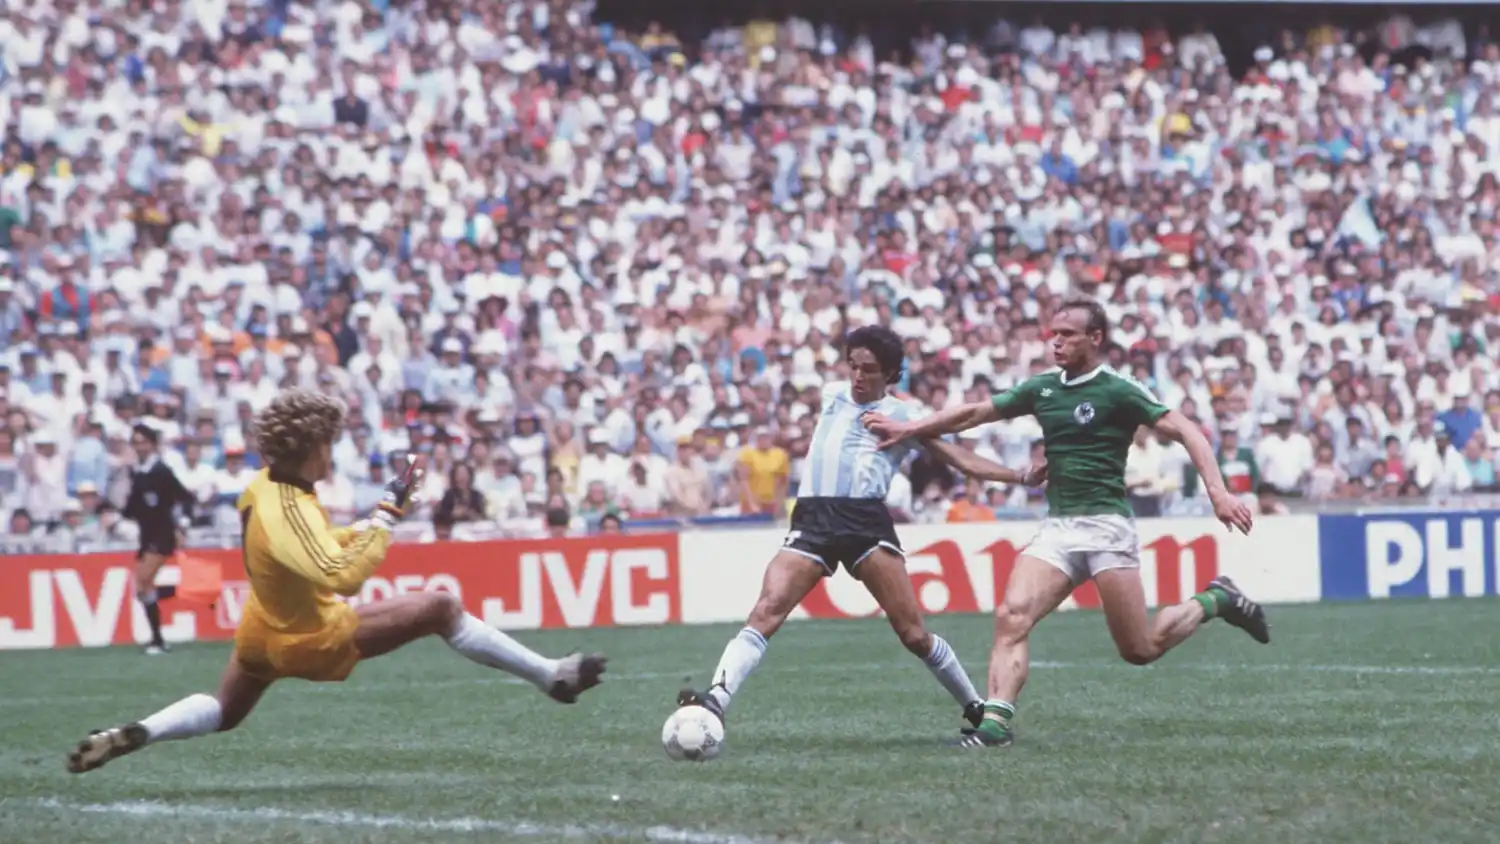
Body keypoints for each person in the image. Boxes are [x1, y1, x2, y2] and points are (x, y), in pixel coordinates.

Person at [66, 389, 606, 775]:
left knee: (224, 711)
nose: (333, 451)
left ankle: (139, 731)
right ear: (311, 449)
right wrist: (389, 517)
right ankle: (551, 678)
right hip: (309, 636)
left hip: (262, 628)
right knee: (441, 607)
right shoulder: (289, 507)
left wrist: (374, 517)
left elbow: (315, 544)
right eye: (328, 442)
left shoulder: (266, 487)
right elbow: (340, 576)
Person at [863, 298, 1267, 750]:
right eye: (1052, 334)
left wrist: (1218, 492)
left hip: (1107, 526)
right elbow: (977, 412)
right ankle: (996, 723)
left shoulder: (1119, 389)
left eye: (1067, 334)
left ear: (1095, 339)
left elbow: (1189, 431)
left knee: (1139, 649)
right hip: (1059, 528)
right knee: (1012, 615)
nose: (1056, 342)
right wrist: (914, 427)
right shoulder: (1043, 388)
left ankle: (1216, 598)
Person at [674, 326, 1046, 734]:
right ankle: (716, 700)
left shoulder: (902, 416)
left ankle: (974, 706)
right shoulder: (833, 393)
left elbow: (958, 458)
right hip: (813, 518)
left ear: (890, 376)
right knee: (767, 609)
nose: (857, 376)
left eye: (868, 370)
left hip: (865, 522)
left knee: (913, 635)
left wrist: (1018, 476)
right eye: (853, 366)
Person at [122, 423, 196, 655]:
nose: (140, 446)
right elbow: (135, 506)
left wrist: (183, 524)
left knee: (143, 580)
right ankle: (157, 638)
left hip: (162, 533)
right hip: (146, 534)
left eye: (144, 441)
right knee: (143, 586)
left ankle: (158, 638)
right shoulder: (137, 471)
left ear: (152, 444)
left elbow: (185, 497)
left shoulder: (161, 471)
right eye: (136, 442)